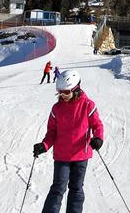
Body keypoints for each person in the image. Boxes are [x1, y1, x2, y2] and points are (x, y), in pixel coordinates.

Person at [33, 70, 104, 213]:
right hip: (62, 156)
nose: (62, 95)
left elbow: (97, 125)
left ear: (76, 88)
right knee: (58, 188)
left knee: (76, 189)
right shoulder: (57, 108)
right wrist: (44, 145)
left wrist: (98, 138)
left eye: (66, 92)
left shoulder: (88, 105)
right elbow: (52, 132)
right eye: (60, 92)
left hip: (81, 155)